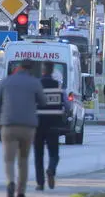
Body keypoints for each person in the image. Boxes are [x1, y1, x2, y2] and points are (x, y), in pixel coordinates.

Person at [0, 59, 46, 197]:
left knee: (9, 159)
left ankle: (10, 182)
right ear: (31, 69)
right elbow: (43, 101)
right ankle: (21, 191)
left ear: (19, 67)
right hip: (28, 126)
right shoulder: (35, 82)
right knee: (23, 159)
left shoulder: (6, 81)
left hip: (8, 124)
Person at [34, 62, 64, 191]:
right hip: (53, 124)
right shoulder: (58, 85)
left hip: (38, 124)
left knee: (38, 155)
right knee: (54, 154)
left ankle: (40, 184)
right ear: (52, 71)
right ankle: (51, 169)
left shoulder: (37, 85)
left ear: (43, 70)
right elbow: (65, 104)